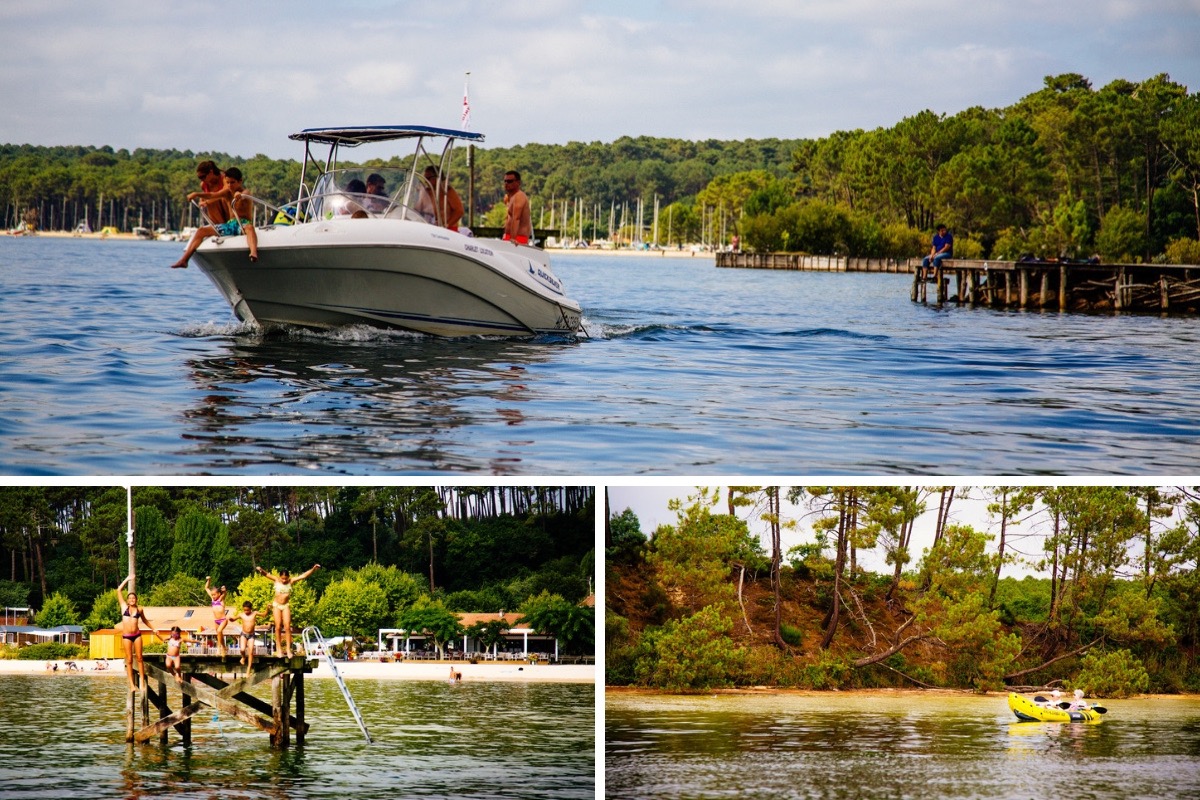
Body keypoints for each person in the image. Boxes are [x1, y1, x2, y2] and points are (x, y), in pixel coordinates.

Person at [170, 166, 260, 268]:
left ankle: (253, 252)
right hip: (230, 224)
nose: (230, 185)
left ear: (240, 181)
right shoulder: (227, 193)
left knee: (250, 228)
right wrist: (196, 194)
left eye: (233, 182)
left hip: (243, 224)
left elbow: (244, 194)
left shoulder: (245, 192)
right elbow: (212, 195)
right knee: (201, 231)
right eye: (228, 182)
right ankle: (184, 260)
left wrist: (239, 194)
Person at [255, 563, 320, 657]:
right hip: (276, 605)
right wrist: (261, 570)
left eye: (286, 578)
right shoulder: (276, 580)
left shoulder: (291, 581)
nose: (284, 580)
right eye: (282, 578)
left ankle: (289, 650)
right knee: (277, 627)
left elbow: (303, 576)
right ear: (280, 577)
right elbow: (267, 574)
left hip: (285, 605)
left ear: (288, 577)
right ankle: (279, 649)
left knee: (287, 627)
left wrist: (313, 569)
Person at [116, 576, 165, 692]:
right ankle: (132, 684)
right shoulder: (124, 607)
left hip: (137, 635)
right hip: (127, 636)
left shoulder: (140, 610)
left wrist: (154, 629)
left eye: (134, 598)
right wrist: (127, 579)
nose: (132, 599)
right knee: (129, 660)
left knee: (139, 658)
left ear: (136, 600)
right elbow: (118, 590)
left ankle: (142, 681)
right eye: (130, 598)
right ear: (127, 600)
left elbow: (145, 621)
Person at [422, 166, 464, 231]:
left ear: (437, 177)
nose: (425, 181)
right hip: (430, 228)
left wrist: (446, 225)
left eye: (428, 178)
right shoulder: (426, 192)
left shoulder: (447, 191)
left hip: (448, 229)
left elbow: (459, 211)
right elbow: (416, 209)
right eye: (424, 178)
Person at [232, 601, 264, 676]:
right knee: (242, 649)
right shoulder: (241, 614)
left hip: (251, 635)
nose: (246, 611)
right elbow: (234, 619)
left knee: (250, 651)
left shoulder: (254, 613)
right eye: (244, 610)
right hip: (243, 634)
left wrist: (267, 609)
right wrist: (230, 618)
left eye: (247, 610)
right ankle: (243, 657)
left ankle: (248, 670)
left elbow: (264, 615)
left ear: (251, 609)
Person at [195, 160, 231, 226]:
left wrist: (207, 201)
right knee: (210, 203)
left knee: (221, 199)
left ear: (211, 172)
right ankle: (221, 226)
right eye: (199, 177)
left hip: (229, 209)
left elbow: (225, 191)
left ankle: (229, 223)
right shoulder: (203, 185)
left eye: (203, 177)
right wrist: (202, 202)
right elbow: (204, 198)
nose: (201, 179)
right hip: (216, 217)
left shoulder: (224, 179)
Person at [502, 170, 532, 244]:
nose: (506, 183)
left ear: (518, 182)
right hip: (508, 236)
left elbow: (516, 218)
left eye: (510, 181)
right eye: (505, 181)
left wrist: (512, 238)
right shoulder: (510, 197)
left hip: (517, 238)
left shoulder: (519, 196)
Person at [204, 576, 230, 656]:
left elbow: (225, 593)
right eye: (212, 595)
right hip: (216, 621)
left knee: (219, 631)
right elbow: (206, 588)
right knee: (220, 635)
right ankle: (225, 648)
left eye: (215, 594)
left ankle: (218, 649)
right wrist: (209, 580)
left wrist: (224, 590)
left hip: (223, 620)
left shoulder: (221, 599)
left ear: (219, 594)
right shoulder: (212, 599)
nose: (213, 596)